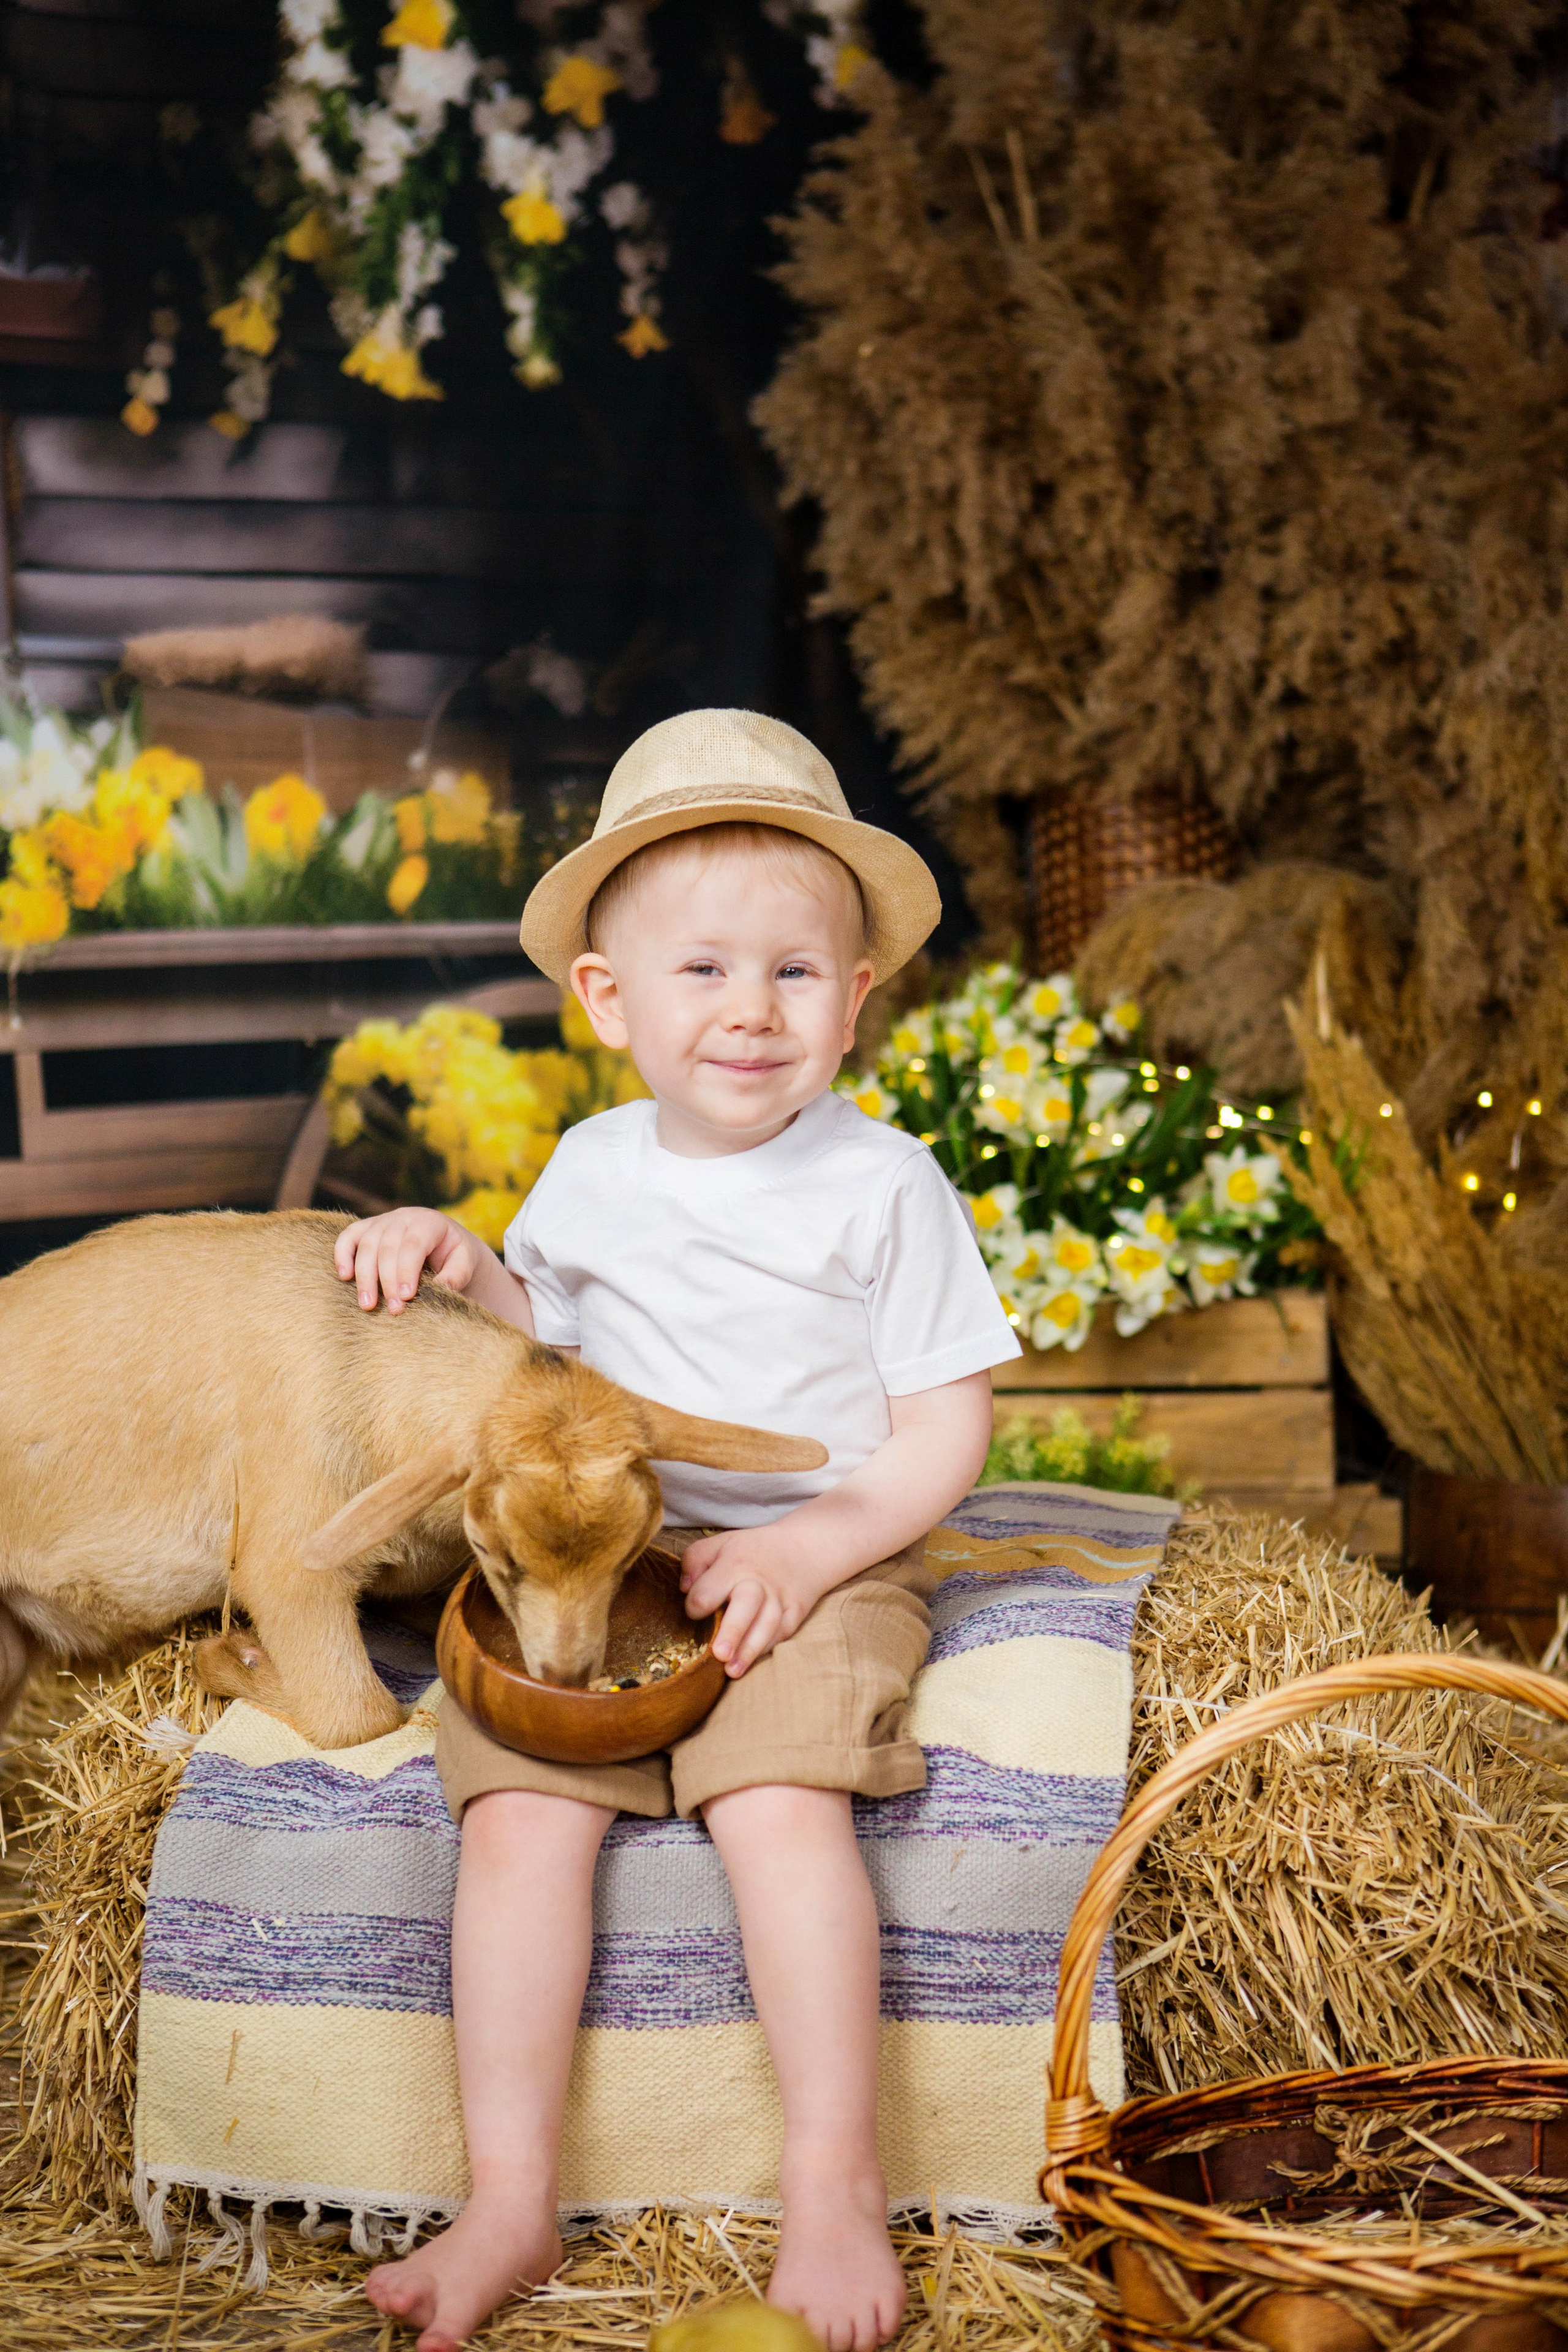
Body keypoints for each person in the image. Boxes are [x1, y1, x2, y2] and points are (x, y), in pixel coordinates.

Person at [337, 710, 1020, 2352]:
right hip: (617, 1560)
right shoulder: (590, 1164)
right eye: (702, 971)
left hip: (824, 1550)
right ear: (609, 1000)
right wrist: (456, 1257)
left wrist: (807, 1551)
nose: (750, 1012)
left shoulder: (885, 1187)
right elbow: (543, 1329)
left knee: (777, 1803)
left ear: (858, 997)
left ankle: (835, 2179)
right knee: (518, 1823)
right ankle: (507, 2197)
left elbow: (947, 1429)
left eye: (796, 974)